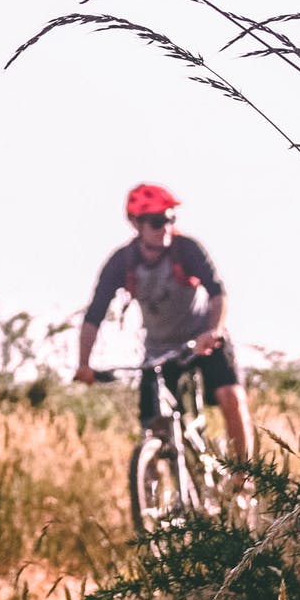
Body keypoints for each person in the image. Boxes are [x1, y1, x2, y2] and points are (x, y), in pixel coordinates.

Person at [73, 183, 252, 464]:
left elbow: (218, 293)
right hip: (159, 350)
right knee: (153, 426)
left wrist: (213, 330)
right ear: (136, 224)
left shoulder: (186, 249)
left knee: (231, 397)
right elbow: (94, 315)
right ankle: (151, 498)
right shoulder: (122, 262)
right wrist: (83, 364)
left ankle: (245, 475)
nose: (165, 227)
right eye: (157, 222)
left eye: (170, 219)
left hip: (202, 339)